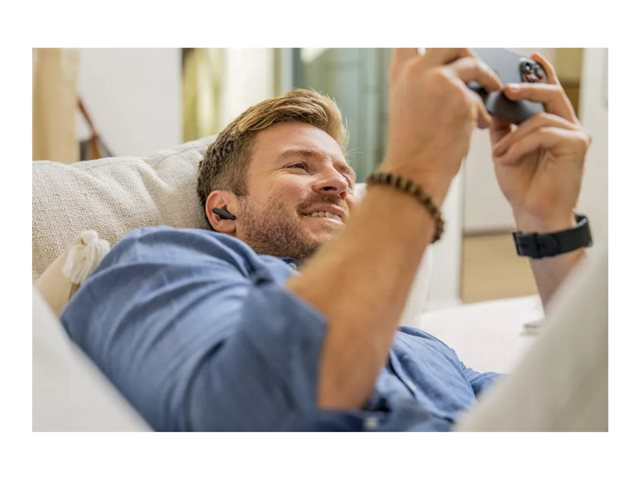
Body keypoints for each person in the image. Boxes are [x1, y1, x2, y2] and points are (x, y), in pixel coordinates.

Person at [61, 48, 591, 431]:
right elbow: (249, 418)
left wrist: (548, 219)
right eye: (299, 165)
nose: (338, 184)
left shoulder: (420, 347)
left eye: (344, 172)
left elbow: (578, 410)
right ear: (223, 209)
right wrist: (416, 170)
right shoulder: (157, 260)